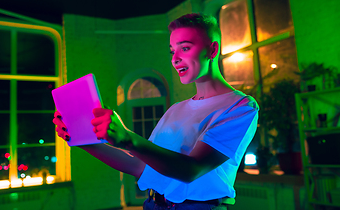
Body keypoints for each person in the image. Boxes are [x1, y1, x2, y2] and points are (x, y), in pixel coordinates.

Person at [53, 13, 259, 210]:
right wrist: (82, 140)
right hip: (153, 205)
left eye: (185, 48)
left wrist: (127, 138)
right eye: (172, 51)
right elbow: (140, 167)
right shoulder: (176, 109)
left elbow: (190, 169)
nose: (175, 58)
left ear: (212, 50)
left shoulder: (240, 107)